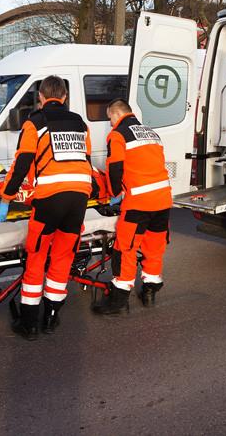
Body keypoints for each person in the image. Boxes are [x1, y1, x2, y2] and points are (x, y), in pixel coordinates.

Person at [0, 75, 92, 340]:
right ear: (64, 97)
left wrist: (5, 198)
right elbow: (84, 159)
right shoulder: (80, 124)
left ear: (40, 97)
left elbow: (22, 163)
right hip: (79, 196)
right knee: (62, 257)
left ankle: (29, 323)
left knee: (37, 257)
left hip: (50, 197)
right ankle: (51, 317)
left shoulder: (35, 122)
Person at [93, 98, 172, 314]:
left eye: (110, 117)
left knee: (125, 248)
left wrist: (114, 193)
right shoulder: (151, 132)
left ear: (117, 114)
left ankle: (118, 301)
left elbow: (115, 168)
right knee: (154, 248)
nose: (110, 123)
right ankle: (149, 292)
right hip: (163, 199)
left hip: (138, 202)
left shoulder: (118, 134)